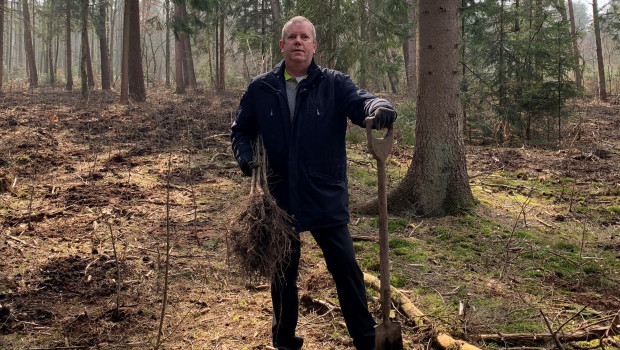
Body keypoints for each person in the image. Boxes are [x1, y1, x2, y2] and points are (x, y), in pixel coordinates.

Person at [231, 16, 397, 350]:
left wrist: (379, 107)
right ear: (282, 45)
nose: (298, 42)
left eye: (304, 37)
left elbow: (361, 102)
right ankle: (284, 340)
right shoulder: (261, 87)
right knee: (283, 274)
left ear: (314, 45)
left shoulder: (334, 84)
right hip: (279, 198)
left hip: (325, 194)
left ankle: (367, 339)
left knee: (347, 269)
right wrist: (246, 158)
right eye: (291, 37)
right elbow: (241, 130)